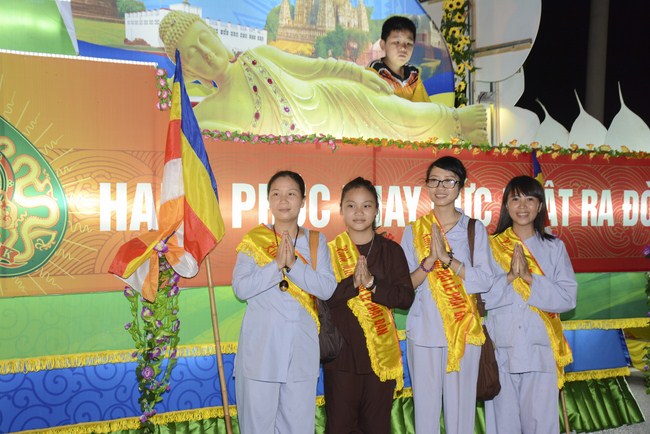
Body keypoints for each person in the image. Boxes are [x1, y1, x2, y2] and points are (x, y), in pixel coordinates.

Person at [159, 10, 488, 144]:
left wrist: (358, 75)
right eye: (192, 54)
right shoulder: (204, 115)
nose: (206, 53)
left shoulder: (258, 57)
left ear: (215, 34)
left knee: (402, 115)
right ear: (187, 70)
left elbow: (317, 68)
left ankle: (459, 122)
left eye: (205, 39)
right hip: (318, 142)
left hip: (336, 100)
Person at [232, 170, 337, 434]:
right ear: (268, 200)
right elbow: (241, 288)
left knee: (298, 426)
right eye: (276, 194)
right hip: (260, 351)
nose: (283, 200)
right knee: (257, 426)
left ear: (302, 201)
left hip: (301, 350)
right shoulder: (254, 240)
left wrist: (293, 266)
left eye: (291, 194)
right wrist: (276, 264)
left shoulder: (315, 240)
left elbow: (326, 289)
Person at [400, 156, 495, 434]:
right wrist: (429, 262)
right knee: (425, 413)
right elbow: (405, 285)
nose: (440, 187)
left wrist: (449, 260)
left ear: (460, 186)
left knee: (461, 413)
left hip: (463, 332)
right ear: (427, 185)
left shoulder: (474, 229)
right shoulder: (413, 230)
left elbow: (485, 280)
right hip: (423, 331)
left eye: (448, 181)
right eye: (434, 181)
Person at [483, 176, 577, 434]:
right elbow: (481, 298)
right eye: (515, 199)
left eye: (530, 199)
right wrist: (509, 277)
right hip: (501, 349)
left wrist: (529, 278)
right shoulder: (490, 247)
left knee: (541, 424)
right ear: (506, 205)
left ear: (540, 206)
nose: (522, 206)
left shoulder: (554, 247)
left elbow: (567, 298)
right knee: (503, 426)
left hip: (540, 349)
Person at [323, 177, 414, 434]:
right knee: (339, 427)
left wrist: (373, 284)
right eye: (351, 206)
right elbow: (322, 299)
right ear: (341, 209)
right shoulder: (329, 251)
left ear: (376, 210)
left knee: (376, 427)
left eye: (366, 206)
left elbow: (405, 298)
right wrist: (353, 283)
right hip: (341, 357)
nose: (359, 212)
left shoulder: (391, 251)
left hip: (380, 360)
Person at [368, 15, 430, 102]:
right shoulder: (375, 72)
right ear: (383, 45)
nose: (403, 48)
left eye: (409, 43)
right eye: (397, 42)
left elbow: (424, 106)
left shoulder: (413, 74)